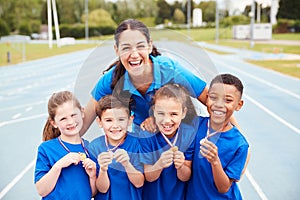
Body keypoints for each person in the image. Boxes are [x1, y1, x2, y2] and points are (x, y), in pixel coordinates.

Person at [81, 18, 208, 135]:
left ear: (149, 45)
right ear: (117, 50)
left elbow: (210, 100)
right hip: (144, 136)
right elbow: (83, 124)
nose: (134, 54)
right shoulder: (111, 79)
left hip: (178, 132)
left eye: (140, 46)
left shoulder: (170, 70)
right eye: (126, 48)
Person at [186, 74, 250, 199]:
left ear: (239, 105)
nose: (219, 104)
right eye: (214, 97)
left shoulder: (240, 144)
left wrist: (215, 161)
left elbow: (223, 188)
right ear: (207, 97)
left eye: (228, 100)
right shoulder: (195, 125)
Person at [34, 91, 97, 199]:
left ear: (82, 112)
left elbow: (91, 193)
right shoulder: (46, 149)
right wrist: (58, 166)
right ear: (53, 123)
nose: (71, 121)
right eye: (63, 118)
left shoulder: (91, 149)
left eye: (73, 115)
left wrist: (92, 176)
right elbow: (41, 190)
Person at [139, 84, 198, 200]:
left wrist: (181, 165)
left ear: (184, 113)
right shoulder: (146, 135)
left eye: (173, 114)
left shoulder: (189, 134)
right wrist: (159, 164)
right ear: (154, 112)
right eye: (161, 113)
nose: (167, 120)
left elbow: (185, 177)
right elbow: (149, 176)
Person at [88, 95, 144, 200]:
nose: (115, 125)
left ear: (130, 120)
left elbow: (139, 183)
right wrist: (103, 169)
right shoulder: (94, 147)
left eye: (121, 119)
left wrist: (127, 164)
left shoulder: (137, 143)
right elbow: (102, 189)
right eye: (109, 120)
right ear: (99, 122)